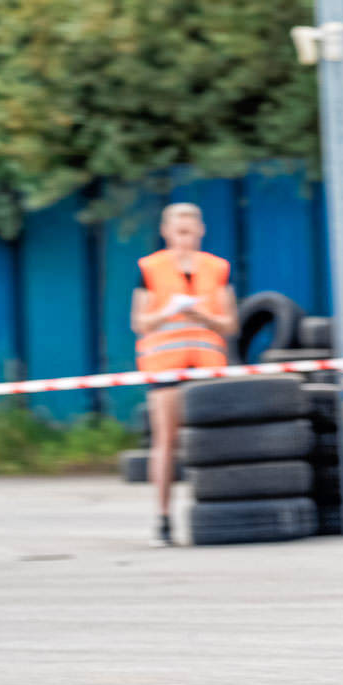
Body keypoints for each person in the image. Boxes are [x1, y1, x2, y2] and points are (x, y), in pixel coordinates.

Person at [131, 203, 238, 546]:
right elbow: (139, 322)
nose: (185, 237)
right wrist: (168, 312)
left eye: (190, 230)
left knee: (213, 442)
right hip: (166, 367)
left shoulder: (217, 268)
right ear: (166, 231)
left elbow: (230, 323)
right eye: (179, 231)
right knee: (166, 442)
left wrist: (203, 316)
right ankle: (163, 519)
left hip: (207, 366)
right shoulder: (150, 268)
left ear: (200, 231)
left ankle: (217, 515)